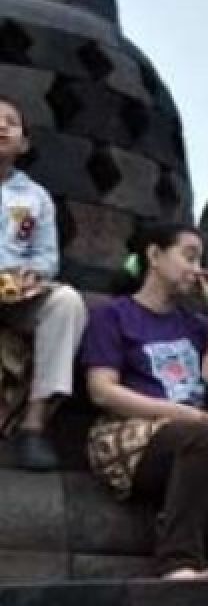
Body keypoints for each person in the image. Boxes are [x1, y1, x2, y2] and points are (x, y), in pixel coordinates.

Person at [81, 222, 208, 580]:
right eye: (188, 256)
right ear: (154, 256)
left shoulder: (193, 323)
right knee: (205, 436)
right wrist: (178, 414)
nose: (196, 268)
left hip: (192, 433)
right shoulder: (112, 315)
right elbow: (102, 390)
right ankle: (177, 562)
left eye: (200, 259)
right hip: (127, 434)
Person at [0, 97, 87, 471]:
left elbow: (46, 256)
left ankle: (34, 426)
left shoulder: (35, 198)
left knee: (66, 302)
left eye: (11, 122)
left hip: (14, 293)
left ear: (24, 143)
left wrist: (33, 276)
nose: (1, 126)